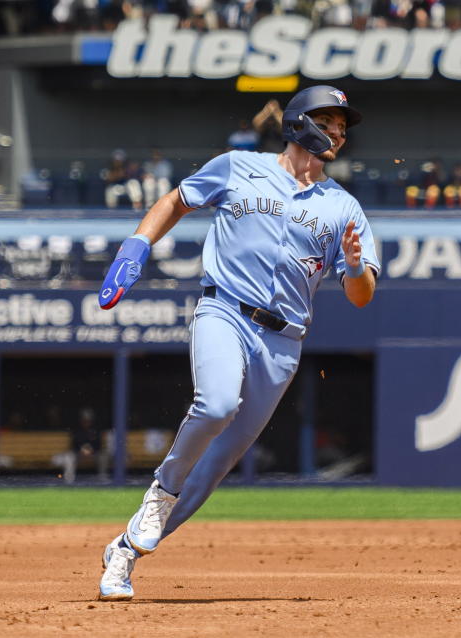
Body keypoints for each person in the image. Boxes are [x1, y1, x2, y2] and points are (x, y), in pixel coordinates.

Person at [96, 84, 379, 601]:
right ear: (300, 122)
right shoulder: (236, 166)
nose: (339, 131)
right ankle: (158, 495)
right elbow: (177, 200)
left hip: (283, 343)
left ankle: (124, 552)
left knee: (215, 466)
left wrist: (356, 265)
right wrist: (136, 245)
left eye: (343, 125)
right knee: (217, 403)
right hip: (224, 309)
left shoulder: (343, 207)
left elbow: (362, 296)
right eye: (330, 120)